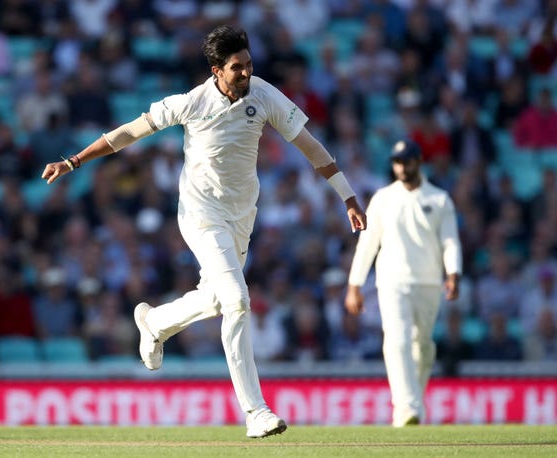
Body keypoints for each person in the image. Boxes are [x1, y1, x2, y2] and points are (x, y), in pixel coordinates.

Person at [41, 25, 367, 438]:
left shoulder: (264, 94)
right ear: (216, 70)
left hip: (242, 214)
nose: (246, 74)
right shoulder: (192, 103)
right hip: (201, 214)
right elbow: (129, 132)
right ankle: (256, 411)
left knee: (216, 299)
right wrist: (73, 162)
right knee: (237, 301)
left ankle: (156, 323)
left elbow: (309, 146)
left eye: (249, 64)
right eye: (237, 68)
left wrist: (347, 195)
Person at [344, 138, 462, 427]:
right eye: (397, 162)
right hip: (392, 281)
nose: (401, 167)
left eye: (406, 161)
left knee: (421, 345)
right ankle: (405, 407)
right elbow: (368, 244)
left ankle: (414, 403)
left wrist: (453, 273)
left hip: (428, 282)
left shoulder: (439, 199)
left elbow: (450, 241)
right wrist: (354, 285)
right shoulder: (383, 198)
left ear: (419, 161)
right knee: (396, 340)